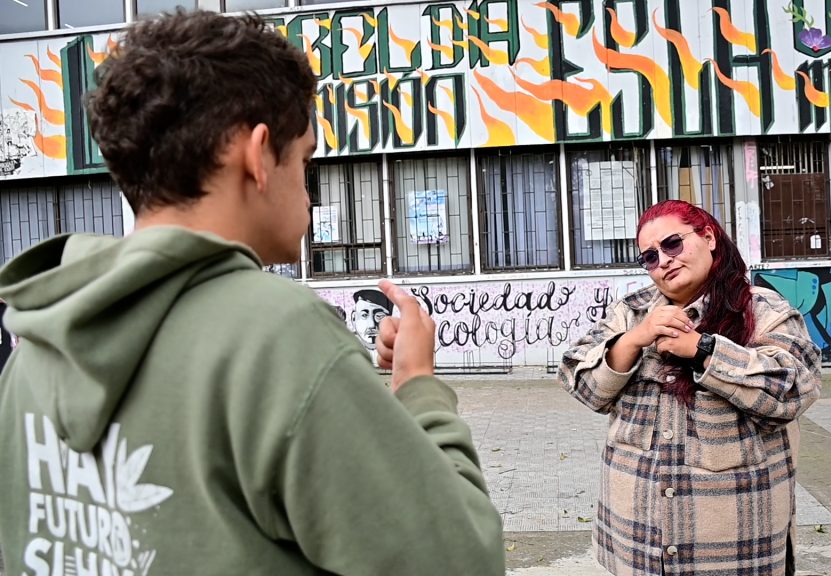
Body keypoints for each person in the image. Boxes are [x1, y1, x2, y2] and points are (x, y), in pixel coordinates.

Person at [0, 10, 504, 576]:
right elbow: (459, 559)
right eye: (306, 159)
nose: (309, 192)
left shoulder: (34, 344)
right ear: (259, 154)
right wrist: (417, 385)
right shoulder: (278, 335)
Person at [558, 200, 822, 576]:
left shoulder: (762, 310)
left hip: (731, 546)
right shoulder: (630, 313)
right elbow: (581, 383)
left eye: (672, 244)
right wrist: (634, 339)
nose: (663, 260)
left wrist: (702, 350)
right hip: (638, 543)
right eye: (649, 256)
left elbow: (797, 386)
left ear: (709, 238)